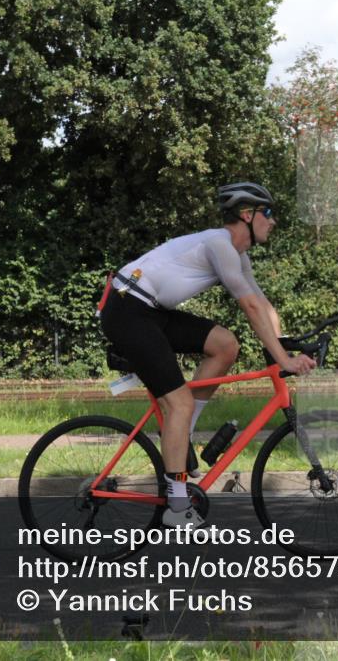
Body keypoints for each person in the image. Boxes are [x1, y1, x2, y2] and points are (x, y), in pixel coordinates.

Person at [99, 182, 316, 527]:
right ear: (247, 215)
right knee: (179, 404)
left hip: (150, 309)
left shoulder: (238, 255)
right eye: (268, 213)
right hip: (128, 309)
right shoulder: (220, 245)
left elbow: (260, 303)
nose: (273, 221)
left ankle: (182, 433)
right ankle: (177, 507)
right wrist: (282, 359)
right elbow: (248, 307)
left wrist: (284, 346)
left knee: (225, 345)